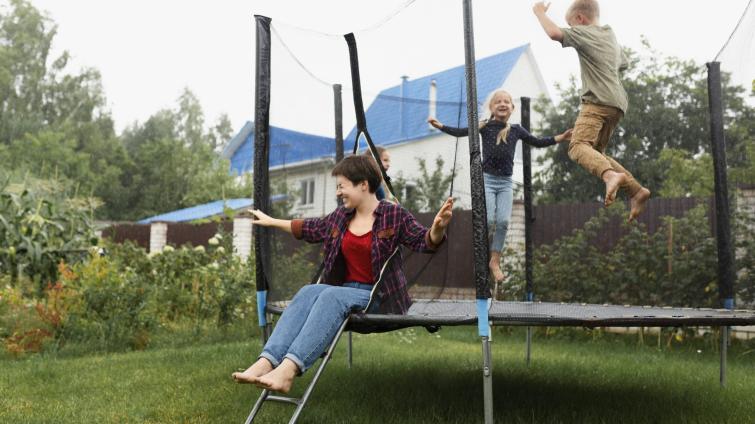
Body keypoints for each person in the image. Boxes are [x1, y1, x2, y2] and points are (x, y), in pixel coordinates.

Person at [232, 155, 454, 393]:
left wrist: (438, 229)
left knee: (331, 297)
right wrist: (272, 221)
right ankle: (265, 362)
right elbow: (310, 228)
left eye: (342, 186)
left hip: (380, 298)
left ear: (363, 185)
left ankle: (287, 372)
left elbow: (424, 241)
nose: (338, 192)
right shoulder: (341, 217)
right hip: (348, 291)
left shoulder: (394, 215)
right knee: (309, 291)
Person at [428, 90, 571, 283]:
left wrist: (560, 138)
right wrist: (441, 126)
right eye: (498, 102)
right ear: (491, 107)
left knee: (503, 222)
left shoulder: (517, 130)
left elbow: (537, 142)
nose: (502, 104)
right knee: (487, 221)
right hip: (487, 180)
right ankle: (481, 257)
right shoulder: (484, 126)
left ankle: (495, 261)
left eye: (506, 102)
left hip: (505, 183)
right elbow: (463, 132)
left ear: (512, 108)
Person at [533, 0, 651, 222]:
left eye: (573, 24)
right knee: (596, 153)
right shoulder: (610, 37)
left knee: (577, 147)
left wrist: (539, 12)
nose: (573, 30)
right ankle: (636, 191)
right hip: (616, 105)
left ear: (580, 19)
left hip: (596, 102)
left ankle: (610, 176)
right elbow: (622, 64)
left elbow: (554, 33)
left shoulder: (586, 32)